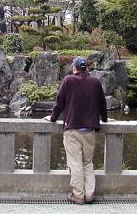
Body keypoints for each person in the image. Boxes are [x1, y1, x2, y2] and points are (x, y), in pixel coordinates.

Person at [44, 56, 115, 205]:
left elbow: (59, 103)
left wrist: (52, 118)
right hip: (89, 130)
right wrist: (105, 120)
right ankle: (89, 194)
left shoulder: (68, 80)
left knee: (75, 163)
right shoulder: (95, 82)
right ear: (86, 68)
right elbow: (102, 104)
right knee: (87, 163)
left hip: (72, 129)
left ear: (74, 68)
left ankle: (78, 196)